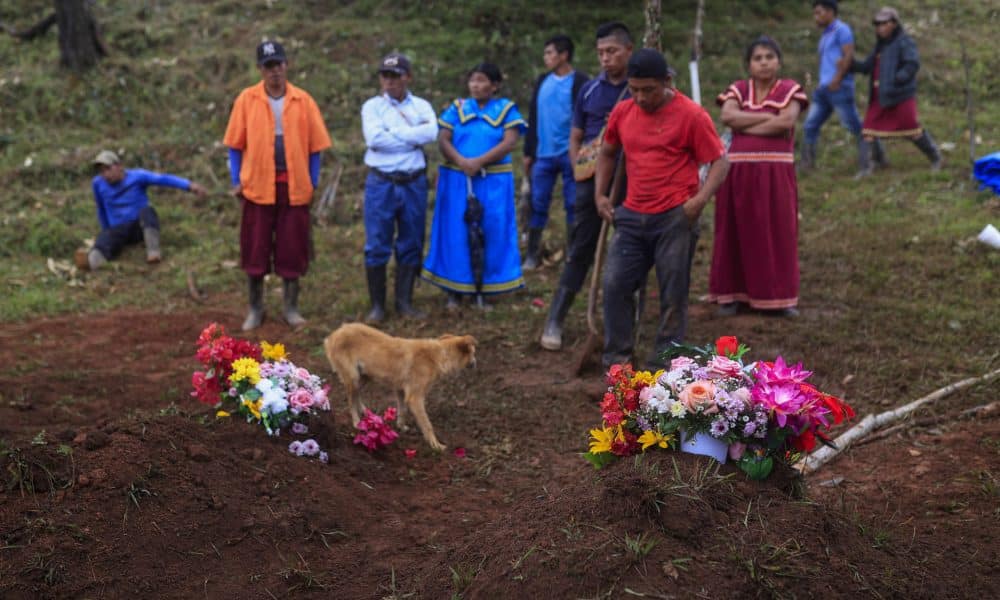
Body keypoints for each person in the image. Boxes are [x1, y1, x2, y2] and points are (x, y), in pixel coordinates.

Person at [596, 48, 728, 369]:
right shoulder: (623, 112)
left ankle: (665, 363)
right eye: (634, 89)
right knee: (614, 285)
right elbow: (608, 151)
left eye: (649, 90)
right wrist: (600, 195)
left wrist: (698, 201)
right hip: (630, 215)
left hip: (675, 216)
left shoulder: (692, 115)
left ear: (667, 81)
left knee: (673, 292)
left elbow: (720, 161)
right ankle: (619, 360)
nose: (640, 97)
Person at [224, 40, 331, 330]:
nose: (274, 71)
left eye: (279, 64)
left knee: (291, 248)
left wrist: (313, 181)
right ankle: (255, 308)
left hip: (293, 186)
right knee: (255, 248)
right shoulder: (247, 99)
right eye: (268, 66)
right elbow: (235, 145)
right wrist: (237, 180)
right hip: (257, 186)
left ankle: (291, 307)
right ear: (260, 69)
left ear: (287, 65)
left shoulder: (303, 100)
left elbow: (315, 147)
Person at [539, 21, 633, 351]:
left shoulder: (639, 89)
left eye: (612, 52)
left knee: (630, 250)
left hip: (632, 180)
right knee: (581, 247)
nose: (606, 58)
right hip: (591, 178)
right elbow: (576, 134)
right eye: (601, 53)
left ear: (628, 51)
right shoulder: (590, 89)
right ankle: (555, 319)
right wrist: (579, 164)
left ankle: (624, 322)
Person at [709, 37, 808, 318]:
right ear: (749, 64)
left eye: (769, 56)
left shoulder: (790, 89)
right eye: (757, 58)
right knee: (733, 231)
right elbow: (728, 116)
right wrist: (768, 118)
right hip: (737, 172)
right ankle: (731, 294)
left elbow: (786, 121)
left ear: (778, 61)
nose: (764, 62)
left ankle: (778, 297)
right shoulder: (739, 89)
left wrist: (747, 121)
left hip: (775, 173)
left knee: (776, 232)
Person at [422, 63, 526, 310]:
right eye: (473, 81)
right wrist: (463, 162)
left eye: (481, 81)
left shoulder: (506, 109)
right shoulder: (457, 109)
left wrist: (479, 161)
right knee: (455, 231)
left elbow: (510, 141)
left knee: (492, 229)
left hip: (493, 182)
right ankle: (455, 289)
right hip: (457, 179)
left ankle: (486, 288)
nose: (476, 86)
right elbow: (444, 139)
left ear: (495, 85)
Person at [360, 53, 439, 323]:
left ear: (407, 77)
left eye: (395, 75)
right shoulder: (372, 107)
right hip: (381, 181)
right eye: (385, 76)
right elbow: (375, 139)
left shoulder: (421, 106)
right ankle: (378, 305)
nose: (390, 81)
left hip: (413, 181)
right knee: (377, 242)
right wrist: (410, 138)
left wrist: (393, 136)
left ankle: (405, 301)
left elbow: (431, 133)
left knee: (412, 239)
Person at [521, 34, 589, 270]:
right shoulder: (542, 81)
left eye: (550, 53)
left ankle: (573, 253)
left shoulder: (580, 81)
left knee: (573, 203)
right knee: (537, 202)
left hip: (571, 153)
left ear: (564, 55)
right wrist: (528, 152)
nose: (546, 58)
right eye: (545, 53)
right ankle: (532, 253)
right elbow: (533, 116)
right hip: (543, 153)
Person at [77, 150, 207, 271]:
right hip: (117, 229)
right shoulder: (98, 184)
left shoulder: (137, 176)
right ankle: (94, 262)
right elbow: (101, 208)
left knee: (148, 212)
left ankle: (153, 251)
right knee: (104, 239)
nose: (106, 175)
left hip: (139, 227)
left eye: (108, 169)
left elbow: (163, 179)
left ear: (119, 166)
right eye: (102, 171)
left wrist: (189, 185)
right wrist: (104, 230)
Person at [852, 7, 941, 175]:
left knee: (912, 130)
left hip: (901, 96)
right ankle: (867, 168)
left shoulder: (903, 41)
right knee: (868, 131)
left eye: (884, 23)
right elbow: (867, 66)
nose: (880, 28)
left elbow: (912, 64)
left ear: (894, 24)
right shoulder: (880, 46)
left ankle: (935, 158)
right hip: (880, 97)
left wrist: (898, 78)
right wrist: (850, 64)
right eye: (877, 24)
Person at [801, 0, 866, 174]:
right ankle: (807, 165)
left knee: (854, 126)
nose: (816, 16)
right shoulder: (825, 35)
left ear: (831, 12)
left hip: (839, 88)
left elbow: (848, 55)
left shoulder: (841, 30)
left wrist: (837, 79)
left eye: (819, 12)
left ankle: (871, 160)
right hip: (824, 90)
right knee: (810, 125)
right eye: (815, 13)